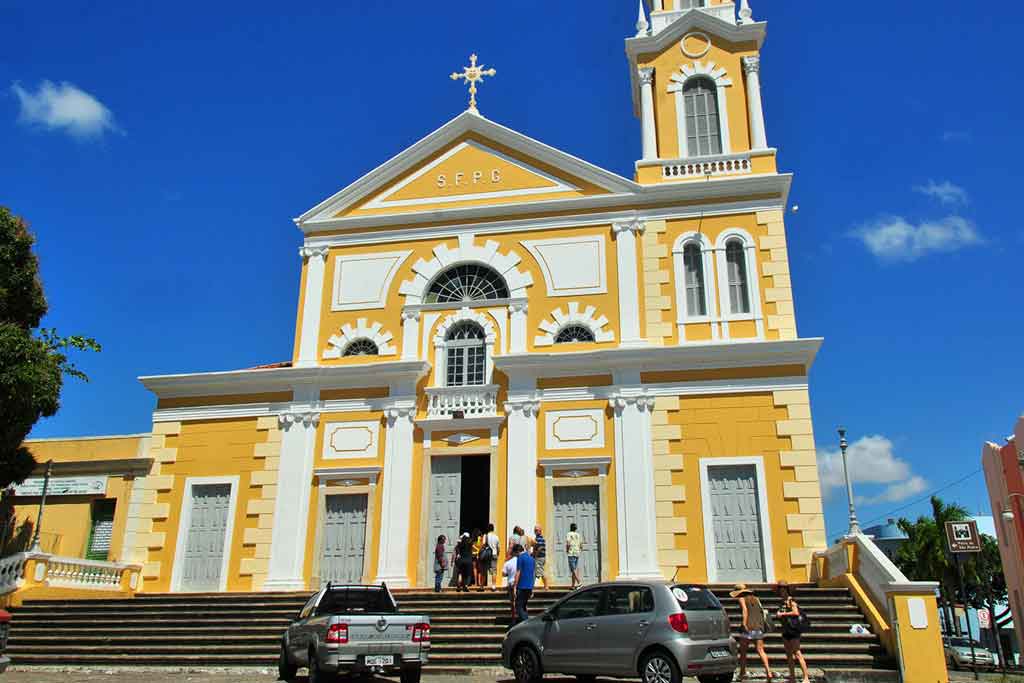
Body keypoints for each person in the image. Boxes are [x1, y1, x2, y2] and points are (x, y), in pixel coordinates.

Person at [731, 584, 774, 681]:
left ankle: (742, 673)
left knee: (743, 652)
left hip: (748, 627)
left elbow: (745, 610)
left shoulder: (742, 598)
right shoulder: (756, 598)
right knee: (761, 650)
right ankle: (768, 672)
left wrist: (744, 623)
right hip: (758, 627)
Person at [777, 581, 810, 683]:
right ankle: (792, 677)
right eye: (780, 590)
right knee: (789, 655)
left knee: (797, 653)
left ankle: (806, 677)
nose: (782, 592)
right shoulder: (782, 602)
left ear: (787, 590)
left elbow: (796, 612)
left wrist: (782, 614)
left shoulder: (791, 601)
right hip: (786, 630)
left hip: (793, 630)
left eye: (783, 590)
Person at [513, 540, 536, 624]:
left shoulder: (520, 558)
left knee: (518, 606)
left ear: (517, 551)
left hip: (522, 586)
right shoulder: (531, 558)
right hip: (529, 586)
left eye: (515, 554)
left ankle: (526, 623)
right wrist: (532, 587)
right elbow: (533, 574)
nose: (515, 556)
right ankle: (523, 622)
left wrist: (515, 586)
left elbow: (518, 572)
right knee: (524, 606)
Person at [503, 544, 522, 619]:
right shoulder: (521, 561)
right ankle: (522, 617)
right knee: (522, 602)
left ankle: (513, 618)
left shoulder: (508, 563)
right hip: (520, 583)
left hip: (511, 583)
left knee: (512, 602)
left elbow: (503, 574)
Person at [480, 523, 500, 591]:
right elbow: (498, 547)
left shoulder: (485, 536)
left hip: (486, 555)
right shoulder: (496, 537)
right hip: (494, 554)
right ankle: (493, 586)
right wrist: (497, 554)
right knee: (494, 571)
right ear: (493, 529)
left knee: (484, 571)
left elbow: (483, 545)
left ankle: (482, 587)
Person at [565, 523, 583, 589]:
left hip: (571, 553)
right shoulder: (578, 535)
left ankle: (579, 582)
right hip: (577, 553)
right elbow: (581, 545)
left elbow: (568, 543)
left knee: (573, 569)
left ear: (570, 528)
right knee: (574, 569)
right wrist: (579, 550)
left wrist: (567, 550)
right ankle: (573, 585)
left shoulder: (569, 534)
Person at [532, 525, 548, 589]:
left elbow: (540, 548)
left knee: (541, 572)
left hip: (539, 557)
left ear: (540, 531)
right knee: (535, 572)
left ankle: (546, 586)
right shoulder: (538, 538)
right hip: (540, 557)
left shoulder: (539, 538)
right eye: (535, 530)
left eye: (536, 530)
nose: (535, 531)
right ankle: (531, 585)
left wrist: (535, 555)